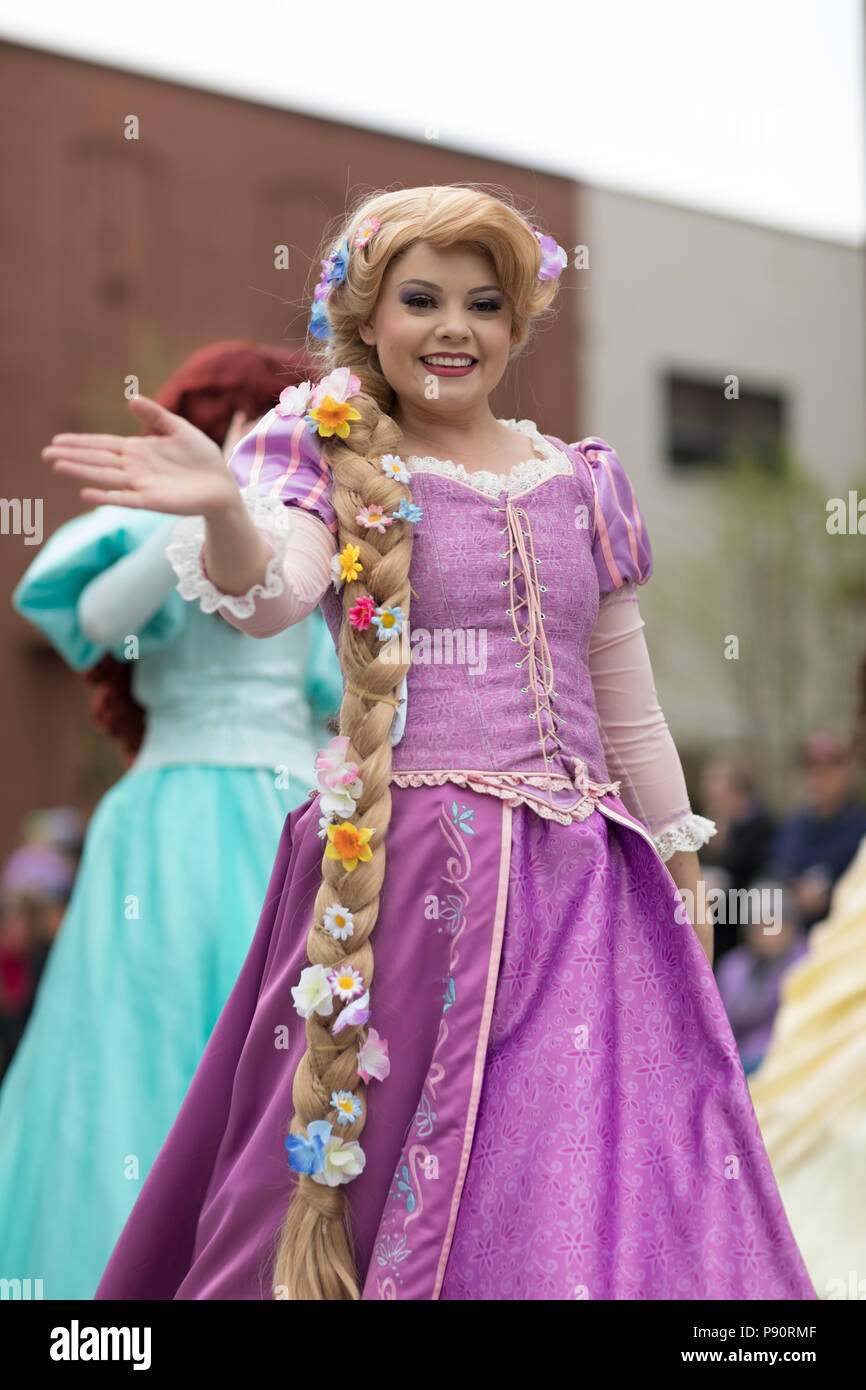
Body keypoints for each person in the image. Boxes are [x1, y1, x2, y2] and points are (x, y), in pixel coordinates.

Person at [48, 185, 815, 1300]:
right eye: (421, 299)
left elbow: (628, 705)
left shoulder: (581, 480)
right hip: (404, 877)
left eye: (484, 303)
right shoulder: (324, 451)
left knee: (582, 1167)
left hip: (586, 884)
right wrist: (221, 506)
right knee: (358, 1170)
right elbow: (272, 595)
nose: (454, 327)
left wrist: (680, 871)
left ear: (515, 327)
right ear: (368, 317)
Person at [0, 341, 343, 1300]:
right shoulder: (143, 525)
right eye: (252, 417)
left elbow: (337, 692)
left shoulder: (313, 538)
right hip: (165, 824)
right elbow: (98, 623)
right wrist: (194, 501)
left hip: (293, 816)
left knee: (283, 1055)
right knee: (133, 1050)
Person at [747, 654, 866, 1298]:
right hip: (799, 955)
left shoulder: (852, 825)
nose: (822, 777)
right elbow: (775, 876)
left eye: (832, 764)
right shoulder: (798, 827)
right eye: (813, 767)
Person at [767, 731, 866, 931]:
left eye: (829, 770)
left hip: (845, 938)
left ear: (847, 772)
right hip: (794, 937)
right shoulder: (793, 826)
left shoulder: (860, 826)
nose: (820, 780)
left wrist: (830, 892)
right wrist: (793, 890)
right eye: (812, 771)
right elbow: (775, 870)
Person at [713, 877, 809, 1074]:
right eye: (757, 925)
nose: (766, 934)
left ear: (791, 926)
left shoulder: (807, 962)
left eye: (773, 924)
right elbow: (723, 1024)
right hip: (736, 1058)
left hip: (789, 1058)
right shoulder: (734, 966)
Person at [698, 755, 777, 960]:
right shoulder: (714, 824)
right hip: (718, 918)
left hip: (744, 921)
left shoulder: (760, 827)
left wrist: (721, 841)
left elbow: (740, 868)